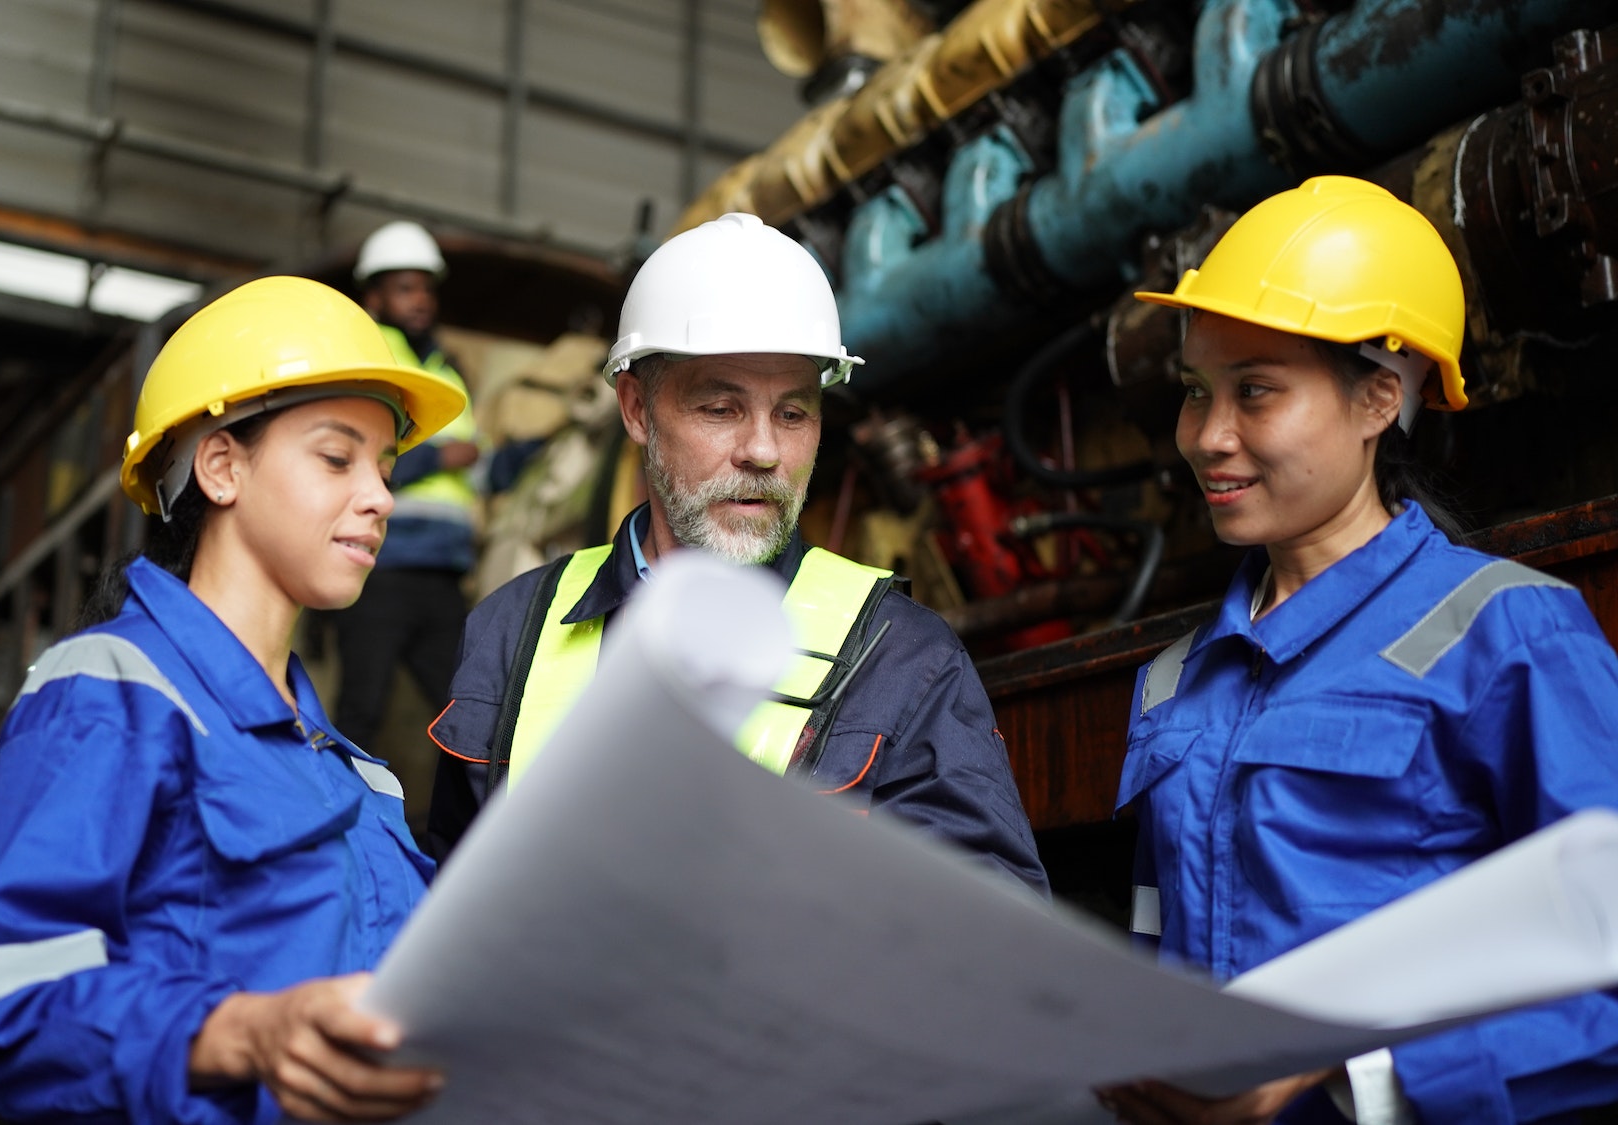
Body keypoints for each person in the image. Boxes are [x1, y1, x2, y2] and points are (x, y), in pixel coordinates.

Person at [1102, 177, 1618, 1125]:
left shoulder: (1509, 635)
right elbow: (1154, 953)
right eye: (1194, 393)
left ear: (1380, 398)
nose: (1208, 438)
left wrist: (1356, 1077)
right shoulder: (1174, 681)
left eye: (1254, 391)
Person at [0, 277, 469, 1124]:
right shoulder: (112, 694)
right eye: (338, 457)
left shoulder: (358, 775)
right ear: (223, 466)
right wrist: (244, 1033)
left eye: (386, 465)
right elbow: (8, 1005)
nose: (380, 497)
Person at [424, 212, 1048, 896]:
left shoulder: (903, 660)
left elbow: (985, 947)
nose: (764, 451)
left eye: (793, 412)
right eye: (721, 408)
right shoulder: (511, 633)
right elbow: (442, 905)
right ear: (635, 408)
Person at [330, 221, 481, 757]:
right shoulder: (372, 359)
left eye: (425, 287)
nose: (420, 299)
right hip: (381, 566)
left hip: (443, 574)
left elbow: (474, 474)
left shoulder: (446, 369)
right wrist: (440, 456)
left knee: (468, 709)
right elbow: (349, 454)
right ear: (374, 299)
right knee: (361, 710)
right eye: (404, 287)